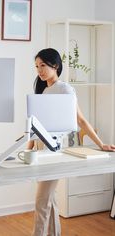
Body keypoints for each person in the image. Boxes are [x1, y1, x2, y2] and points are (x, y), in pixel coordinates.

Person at [29, 48, 115, 236]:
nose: (40, 70)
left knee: (41, 201)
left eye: (43, 65)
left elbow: (80, 120)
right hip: (41, 149)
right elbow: (36, 125)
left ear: (56, 65)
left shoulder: (65, 89)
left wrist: (101, 145)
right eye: (37, 67)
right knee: (49, 199)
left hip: (55, 152)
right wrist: (28, 148)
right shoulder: (44, 91)